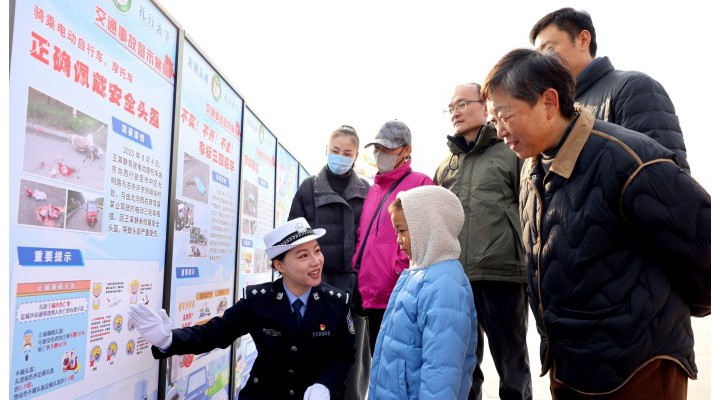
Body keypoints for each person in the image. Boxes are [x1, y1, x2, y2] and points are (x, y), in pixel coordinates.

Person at [482, 48, 710, 399]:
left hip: (637, 366)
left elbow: (703, 246)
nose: (498, 131)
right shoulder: (531, 169)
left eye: (504, 115)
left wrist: (660, 317)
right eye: (493, 120)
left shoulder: (628, 159)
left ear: (548, 102)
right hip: (570, 365)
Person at [128, 217, 356, 400]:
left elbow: (344, 355)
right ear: (280, 265)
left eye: (317, 251)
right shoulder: (258, 301)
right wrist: (168, 340)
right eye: (303, 256)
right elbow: (215, 333)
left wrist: (325, 384)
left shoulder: (336, 303)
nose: (316, 261)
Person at [435, 83, 531, 400]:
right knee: (463, 367)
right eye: (451, 107)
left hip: (503, 274)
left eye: (463, 103)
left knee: (512, 366)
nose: (456, 112)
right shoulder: (445, 166)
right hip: (457, 278)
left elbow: (532, 208)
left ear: (485, 105)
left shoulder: (512, 151)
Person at [529, 7, 691, 173]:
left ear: (583, 40)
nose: (542, 62)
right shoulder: (557, 109)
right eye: (538, 55)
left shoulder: (633, 87)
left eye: (549, 49)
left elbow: (663, 174)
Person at [368, 185, 477, 400]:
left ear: (427, 228)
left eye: (402, 231)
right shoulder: (418, 273)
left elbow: (442, 372)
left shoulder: (445, 285)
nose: (398, 240)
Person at [288, 124, 372, 400]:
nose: (341, 157)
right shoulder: (309, 188)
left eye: (348, 153)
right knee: (312, 351)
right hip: (315, 284)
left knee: (352, 355)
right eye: (336, 150)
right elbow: (293, 239)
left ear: (356, 156)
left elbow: (371, 240)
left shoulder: (367, 190)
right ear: (326, 149)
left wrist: (363, 280)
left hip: (353, 287)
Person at [351, 120, 434, 354]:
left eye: (387, 148)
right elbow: (364, 236)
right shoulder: (374, 189)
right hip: (370, 294)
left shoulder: (421, 183)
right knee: (377, 362)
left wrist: (398, 270)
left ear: (407, 150)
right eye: (377, 148)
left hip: (399, 294)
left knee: (399, 363)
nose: (380, 154)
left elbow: (425, 236)